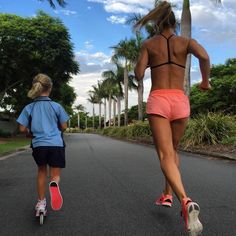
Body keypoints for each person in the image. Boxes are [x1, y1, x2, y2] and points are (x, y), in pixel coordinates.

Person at [134, 1, 210, 235]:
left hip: (159, 99)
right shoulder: (186, 42)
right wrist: (205, 81)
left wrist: (145, 65)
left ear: (157, 23)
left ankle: (185, 201)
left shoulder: (149, 43)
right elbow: (205, 57)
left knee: (165, 154)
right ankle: (167, 194)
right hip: (179, 100)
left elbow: (138, 74)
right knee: (173, 151)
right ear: (175, 23)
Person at [17, 73, 69, 216]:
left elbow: (21, 128)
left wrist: (30, 132)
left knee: (41, 171)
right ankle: (54, 184)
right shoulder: (56, 106)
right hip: (56, 144)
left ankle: (41, 203)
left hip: (39, 145)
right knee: (55, 174)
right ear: (50, 88)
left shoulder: (29, 107)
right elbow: (64, 126)